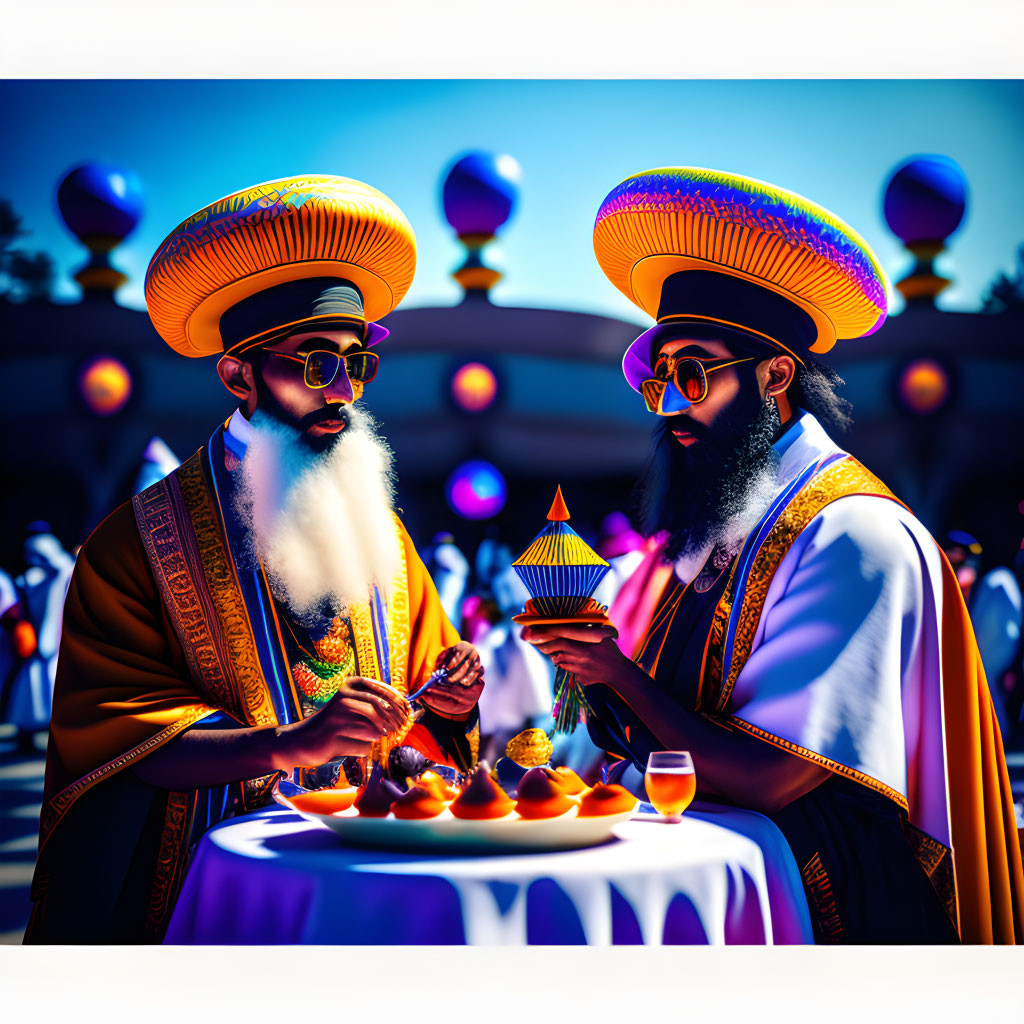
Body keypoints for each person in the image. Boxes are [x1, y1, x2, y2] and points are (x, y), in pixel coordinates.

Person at [524, 167, 1024, 944]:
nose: (670, 406)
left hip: (836, 913)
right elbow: (675, 730)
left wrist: (615, 671)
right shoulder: (735, 525)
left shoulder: (851, 531)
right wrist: (593, 677)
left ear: (777, 374)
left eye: (691, 374)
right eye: (659, 381)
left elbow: (774, 776)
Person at [27, 176, 484, 943]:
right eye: (314, 364)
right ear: (238, 375)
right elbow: (114, 741)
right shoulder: (130, 545)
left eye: (355, 364)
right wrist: (288, 745)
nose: (342, 389)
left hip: (375, 868)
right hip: (222, 891)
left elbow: (423, 699)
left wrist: (453, 698)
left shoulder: (387, 535)